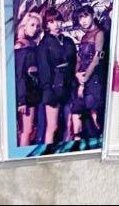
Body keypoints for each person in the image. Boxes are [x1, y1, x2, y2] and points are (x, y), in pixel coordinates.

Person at [37, 8, 77, 143]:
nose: (56, 24)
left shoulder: (68, 41)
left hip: (68, 85)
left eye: (58, 20)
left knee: (69, 126)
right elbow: (44, 69)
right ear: (47, 24)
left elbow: (74, 63)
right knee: (52, 127)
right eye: (52, 22)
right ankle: (47, 152)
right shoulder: (44, 44)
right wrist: (48, 89)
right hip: (53, 87)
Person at [69, 5, 106, 140]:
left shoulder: (99, 33)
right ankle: (77, 141)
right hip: (82, 78)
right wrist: (77, 73)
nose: (83, 20)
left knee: (94, 112)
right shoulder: (84, 36)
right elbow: (79, 58)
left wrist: (84, 81)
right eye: (80, 18)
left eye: (86, 16)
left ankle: (101, 139)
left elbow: (96, 59)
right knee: (77, 111)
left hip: (93, 79)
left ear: (92, 15)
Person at [14, 11, 42, 146]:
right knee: (26, 131)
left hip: (33, 92)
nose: (35, 28)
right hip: (25, 94)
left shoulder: (32, 44)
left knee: (30, 131)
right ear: (24, 26)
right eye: (32, 25)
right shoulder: (20, 45)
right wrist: (21, 100)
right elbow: (19, 74)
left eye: (37, 26)